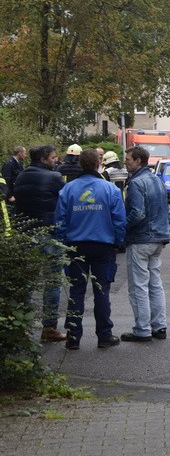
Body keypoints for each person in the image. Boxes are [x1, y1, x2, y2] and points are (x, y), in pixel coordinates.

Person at [54, 148, 126, 350]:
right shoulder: (110, 189)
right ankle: (104, 336)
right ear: (98, 164)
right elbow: (119, 219)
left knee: (76, 292)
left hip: (76, 246)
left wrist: (62, 243)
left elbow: (59, 220)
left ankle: (73, 337)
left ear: (80, 165)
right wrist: (118, 242)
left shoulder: (68, 189)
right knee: (101, 291)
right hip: (103, 247)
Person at [13, 144, 67, 341]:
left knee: (26, 283)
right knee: (52, 282)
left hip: (25, 235)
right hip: (48, 233)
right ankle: (49, 329)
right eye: (53, 157)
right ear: (44, 158)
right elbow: (66, 198)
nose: (56, 160)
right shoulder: (53, 178)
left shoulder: (21, 175)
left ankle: (21, 329)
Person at [121, 145, 170, 342]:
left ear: (138, 161)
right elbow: (166, 211)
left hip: (141, 239)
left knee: (138, 286)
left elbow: (137, 213)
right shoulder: (157, 180)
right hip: (159, 238)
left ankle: (142, 329)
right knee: (155, 284)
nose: (125, 162)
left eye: (127, 159)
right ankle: (159, 326)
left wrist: (122, 228)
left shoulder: (135, 183)